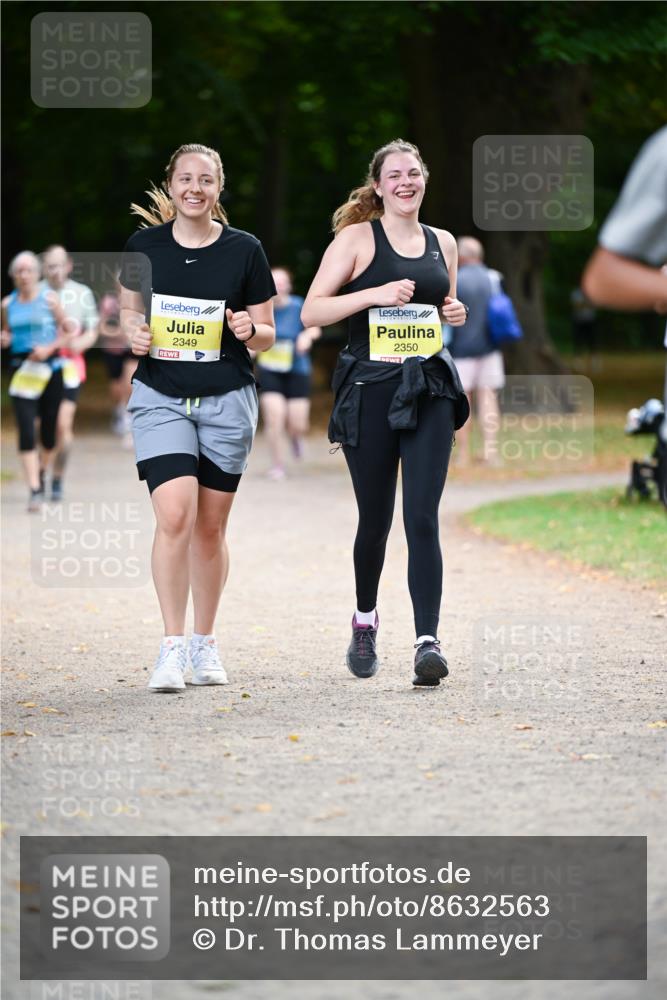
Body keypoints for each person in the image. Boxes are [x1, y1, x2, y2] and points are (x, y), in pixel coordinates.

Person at [301, 139, 470, 687]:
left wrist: (454, 311)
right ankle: (366, 619)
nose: (405, 182)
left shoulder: (443, 242)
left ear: (425, 179)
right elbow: (311, 311)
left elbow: (443, 307)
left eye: (413, 173)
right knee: (375, 520)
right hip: (370, 390)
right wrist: (372, 294)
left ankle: (427, 642)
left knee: (421, 515)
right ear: (377, 185)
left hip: (428, 389)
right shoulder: (356, 239)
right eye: (393, 175)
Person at [119, 143, 276, 693]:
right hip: (160, 394)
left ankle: (204, 643)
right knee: (176, 515)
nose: (195, 188)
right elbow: (126, 316)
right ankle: (170, 647)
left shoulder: (245, 250)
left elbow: (270, 331)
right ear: (172, 184)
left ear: (219, 187)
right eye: (185, 178)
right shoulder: (143, 247)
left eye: (205, 180)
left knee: (209, 528)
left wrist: (249, 332)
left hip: (227, 399)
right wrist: (132, 333)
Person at [1, 252, 75, 511]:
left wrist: (49, 348)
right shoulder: (7, 304)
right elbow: (7, 333)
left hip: (49, 369)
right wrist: (5, 339)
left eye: (28, 270)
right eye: (19, 271)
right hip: (22, 370)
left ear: (37, 273)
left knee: (49, 431)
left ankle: (42, 471)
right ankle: (34, 489)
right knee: (25, 428)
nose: (23, 276)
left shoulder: (49, 300)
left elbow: (69, 330)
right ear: (13, 275)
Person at [40, 245, 99, 500]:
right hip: (39, 367)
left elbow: (93, 328)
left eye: (59, 265)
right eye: (50, 265)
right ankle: (39, 472)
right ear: (44, 268)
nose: (55, 270)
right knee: (42, 426)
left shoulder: (82, 293)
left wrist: (82, 342)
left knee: (63, 425)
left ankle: (56, 478)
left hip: (70, 365)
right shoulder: (35, 292)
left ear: (69, 266)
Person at [255, 266, 321, 478]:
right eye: (274, 282)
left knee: (298, 423)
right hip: (269, 370)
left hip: (297, 369)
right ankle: (278, 465)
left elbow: (314, 327)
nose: (278, 287)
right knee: (275, 420)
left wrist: (306, 337)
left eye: (282, 282)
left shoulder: (298, 305)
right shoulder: (260, 308)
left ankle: (296, 437)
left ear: (289, 286)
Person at [447, 236, 506, 466]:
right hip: (490, 349)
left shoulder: (455, 281)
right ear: (479, 255)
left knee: (464, 402)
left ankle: (462, 455)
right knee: (489, 398)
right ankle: (491, 452)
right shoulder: (493, 278)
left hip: (460, 351)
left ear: (460, 256)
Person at [98, 279, 138, 446]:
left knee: (128, 385)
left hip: (132, 350)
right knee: (116, 389)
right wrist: (117, 333)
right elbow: (101, 327)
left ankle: (128, 423)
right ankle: (119, 411)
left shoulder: (140, 300)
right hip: (114, 349)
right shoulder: (109, 302)